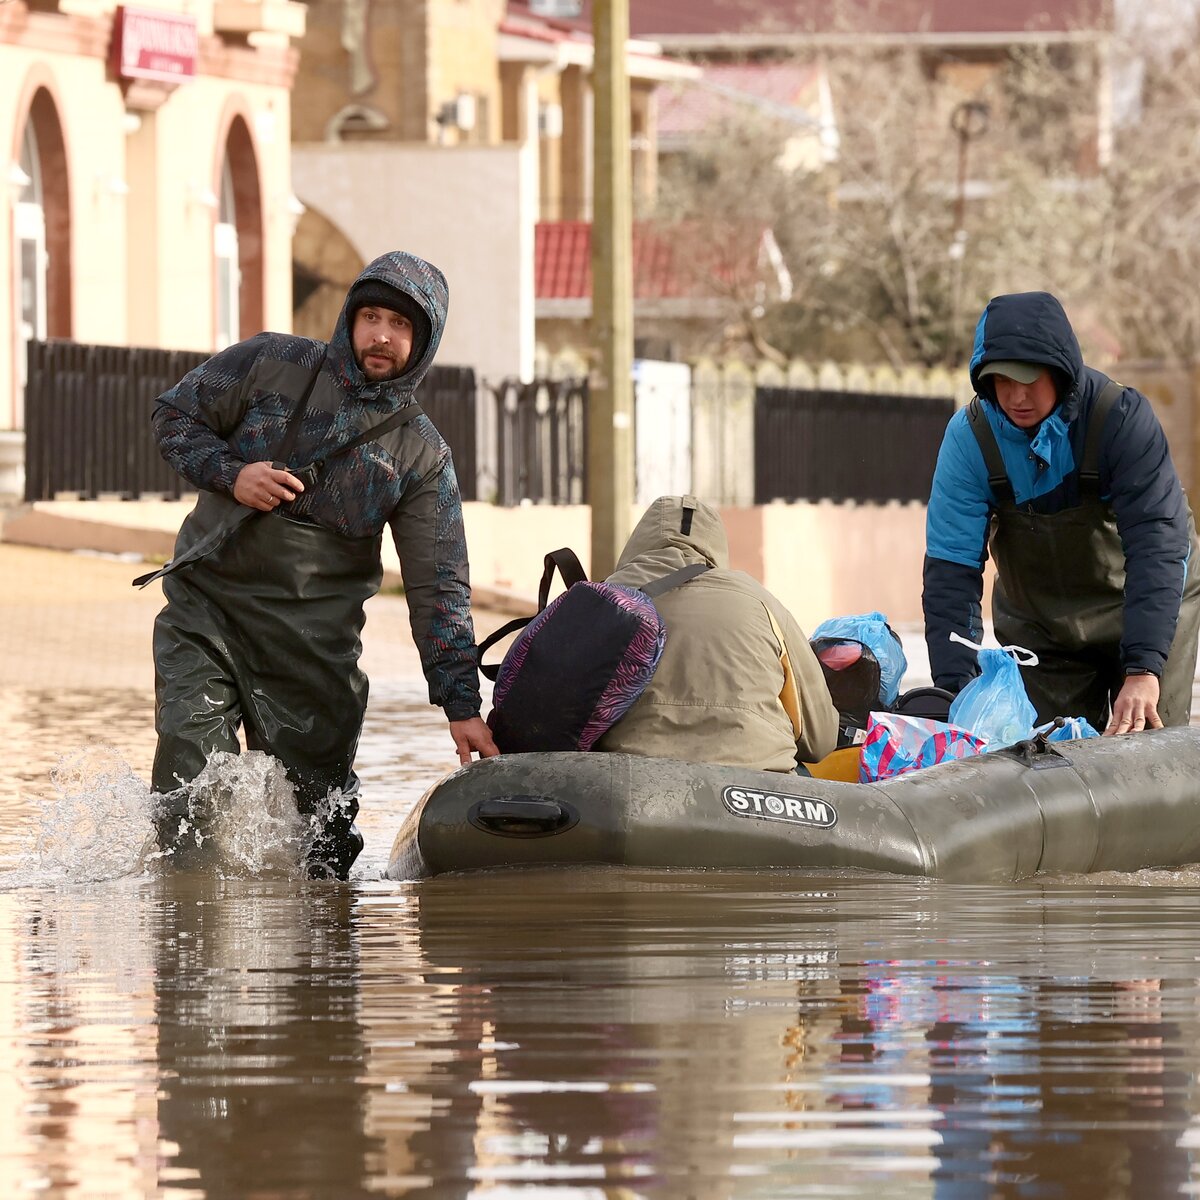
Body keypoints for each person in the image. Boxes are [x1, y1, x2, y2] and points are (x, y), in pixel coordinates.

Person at [146, 250, 498, 878]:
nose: (381, 336)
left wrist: (461, 705)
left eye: (401, 325)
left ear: (423, 341)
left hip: (314, 653)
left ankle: (322, 961)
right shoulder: (267, 363)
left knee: (324, 840)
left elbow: (438, 587)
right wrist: (233, 475)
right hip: (206, 615)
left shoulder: (421, 457)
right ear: (350, 318)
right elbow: (174, 414)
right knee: (187, 785)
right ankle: (186, 935)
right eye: (370, 316)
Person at [923, 290, 1200, 736]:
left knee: (1148, 750)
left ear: (1061, 371)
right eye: (1002, 380)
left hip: (1144, 601)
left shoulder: (1120, 420)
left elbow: (1157, 545)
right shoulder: (969, 439)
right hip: (1042, 629)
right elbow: (950, 572)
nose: (1016, 396)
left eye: (1030, 379)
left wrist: (1145, 668)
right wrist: (957, 695)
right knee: (1049, 759)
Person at [595, 495, 838, 771]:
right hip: (756, 788)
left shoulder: (599, 600)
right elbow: (819, 739)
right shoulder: (759, 601)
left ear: (636, 542)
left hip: (629, 784)